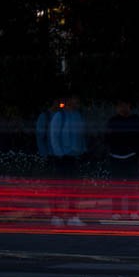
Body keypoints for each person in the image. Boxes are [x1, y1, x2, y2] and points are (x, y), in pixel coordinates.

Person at [48, 94, 87, 226]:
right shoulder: (60, 116)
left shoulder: (78, 115)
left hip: (74, 156)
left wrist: (83, 150)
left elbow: (81, 134)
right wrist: (59, 153)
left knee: (74, 188)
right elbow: (54, 135)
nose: (77, 102)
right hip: (62, 157)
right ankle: (56, 215)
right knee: (60, 188)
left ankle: (72, 215)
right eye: (74, 99)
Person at [105, 97, 139, 219]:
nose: (122, 108)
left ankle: (132, 211)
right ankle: (116, 212)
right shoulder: (113, 121)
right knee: (117, 186)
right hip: (116, 156)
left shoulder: (136, 120)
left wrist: (138, 154)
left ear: (129, 105)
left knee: (132, 186)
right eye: (119, 105)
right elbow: (106, 138)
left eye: (124, 104)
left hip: (131, 157)